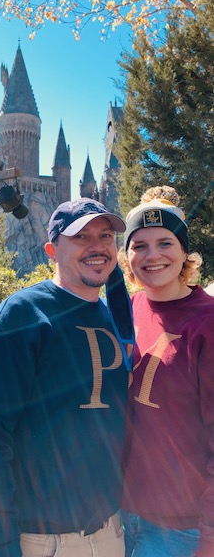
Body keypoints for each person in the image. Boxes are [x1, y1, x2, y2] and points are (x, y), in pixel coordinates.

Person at [0, 198, 135, 557]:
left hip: (111, 534)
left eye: (105, 235)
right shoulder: (20, 317)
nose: (97, 246)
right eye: (81, 237)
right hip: (44, 544)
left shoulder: (113, 316)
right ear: (52, 250)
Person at [119, 186, 214, 557]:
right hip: (121, 515)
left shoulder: (207, 322)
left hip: (180, 529)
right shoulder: (126, 309)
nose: (152, 255)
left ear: (184, 252)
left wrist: (209, 540)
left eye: (165, 243)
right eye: (139, 245)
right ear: (126, 256)